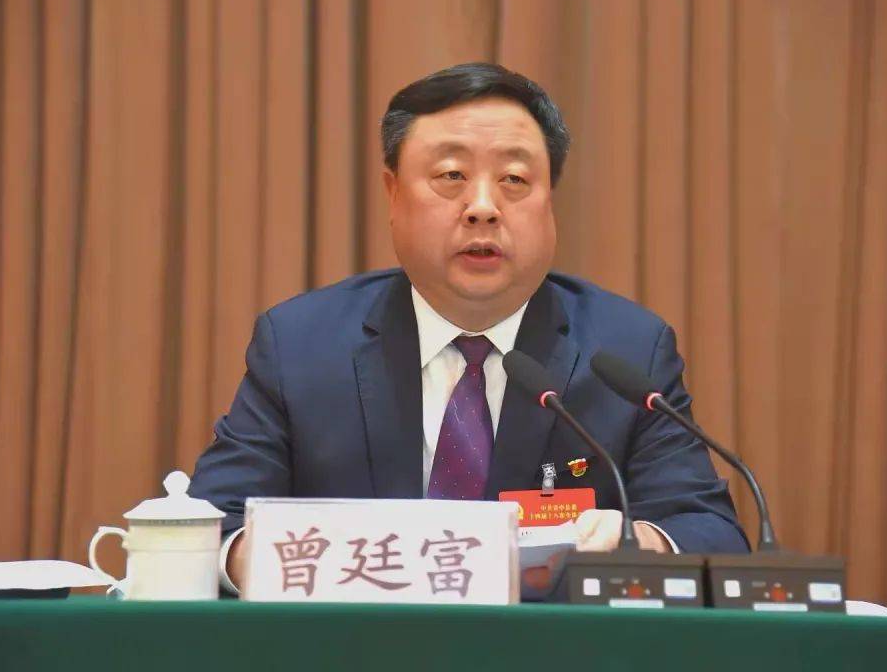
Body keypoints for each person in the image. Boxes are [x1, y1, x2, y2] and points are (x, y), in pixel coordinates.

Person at [188, 62, 748, 592]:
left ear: (550, 202)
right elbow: (210, 524)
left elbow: (711, 533)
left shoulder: (625, 352)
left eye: (514, 179)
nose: (483, 207)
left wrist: (637, 542)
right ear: (393, 193)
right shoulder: (301, 345)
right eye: (452, 176)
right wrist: (278, 554)